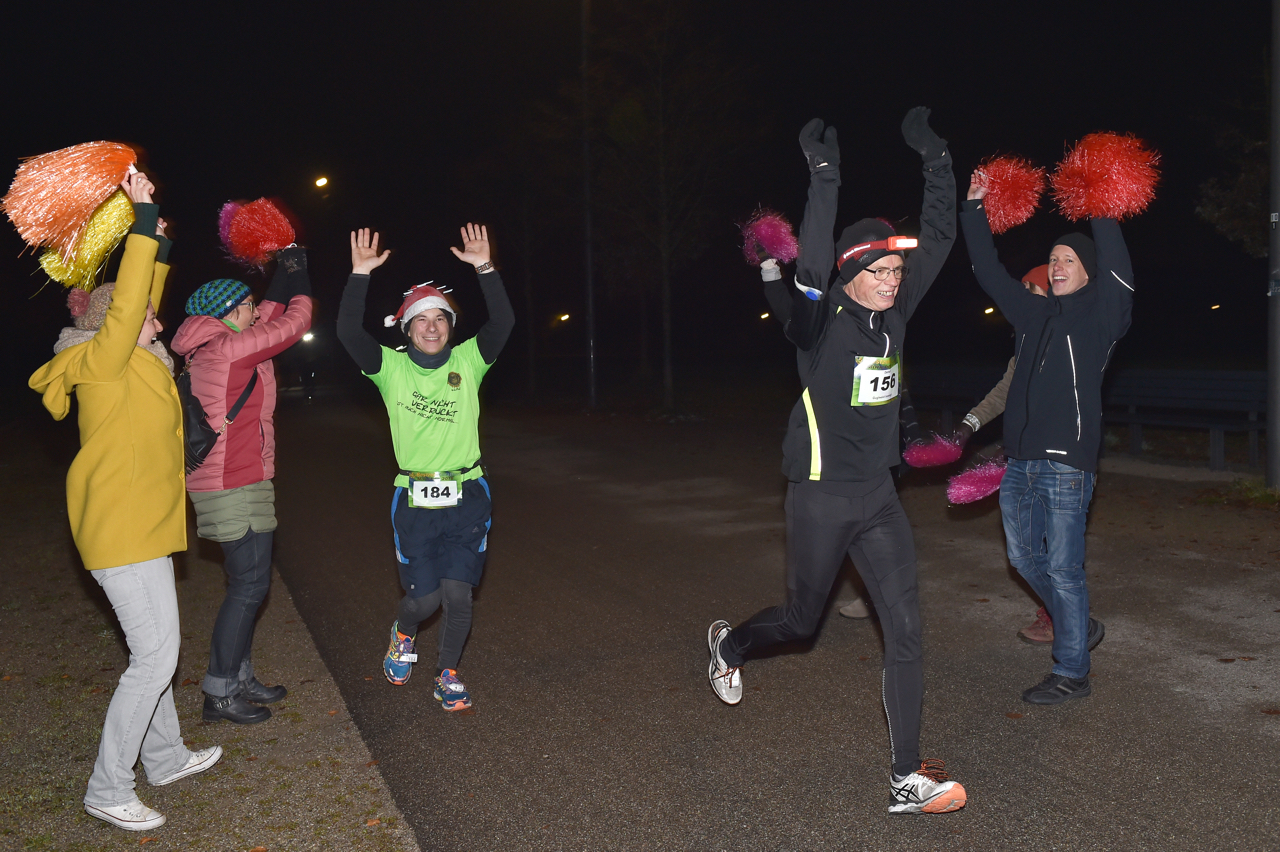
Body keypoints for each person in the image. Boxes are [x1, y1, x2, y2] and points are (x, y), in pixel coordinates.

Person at [708, 109, 966, 815]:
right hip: (820, 496)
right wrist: (827, 176)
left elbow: (941, 236)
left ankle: (906, 777)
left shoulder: (896, 312)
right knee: (800, 621)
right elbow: (814, 265)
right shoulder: (820, 325)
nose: (893, 280)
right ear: (852, 276)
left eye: (897, 271)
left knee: (906, 628)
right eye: (881, 271)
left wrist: (937, 162)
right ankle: (730, 646)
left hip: (879, 497)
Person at [28, 172, 222, 832]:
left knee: (159, 651)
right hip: (118, 532)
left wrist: (159, 246)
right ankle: (107, 787)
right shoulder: (102, 363)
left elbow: (140, 297)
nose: (159, 321)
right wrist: (143, 219)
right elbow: (130, 299)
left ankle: (164, 758)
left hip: (146, 526)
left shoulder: (135, 358)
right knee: (154, 660)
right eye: (148, 315)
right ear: (115, 321)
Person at [960, 169, 1128, 704]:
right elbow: (988, 271)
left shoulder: (1104, 315)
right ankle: (1077, 624)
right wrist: (974, 209)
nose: (1057, 266)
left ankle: (1072, 669)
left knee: (1063, 566)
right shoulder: (1032, 314)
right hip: (1021, 460)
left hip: (1067, 464)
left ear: (1089, 273)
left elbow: (1119, 265)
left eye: (1069, 261)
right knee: (1023, 559)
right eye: (1053, 259)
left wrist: (1100, 201)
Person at [337, 224, 513, 710]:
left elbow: (502, 322)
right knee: (425, 601)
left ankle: (447, 673)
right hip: (414, 500)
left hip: (468, 495)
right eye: (421, 320)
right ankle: (403, 631)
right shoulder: (390, 368)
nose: (432, 327)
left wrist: (484, 267)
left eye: (440, 318)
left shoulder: (470, 359)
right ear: (407, 328)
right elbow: (349, 332)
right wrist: (359, 275)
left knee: (459, 596)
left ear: (450, 327)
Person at [171, 248, 314, 724]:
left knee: (251, 583)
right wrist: (300, 275)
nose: (256, 311)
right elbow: (292, 323)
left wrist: (284, 268)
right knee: (247, 586)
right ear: (230, 314)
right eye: (247, 306)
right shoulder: (228, 348)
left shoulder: (221, 341)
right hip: (227, 482)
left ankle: (240, 676)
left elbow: (271, 313)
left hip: (246, 476)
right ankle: (219, 693)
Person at [949, 266, 1055, 644]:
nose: (1022, 298)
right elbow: (1003, 392)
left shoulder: (1068, 339)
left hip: (1058, 462)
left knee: (1052, 550)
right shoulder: (1026, 341)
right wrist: (968, 425)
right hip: (1024, 458)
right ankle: (1060, 614)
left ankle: (1062, 618)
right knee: (1026, 551)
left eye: (1030, 289)